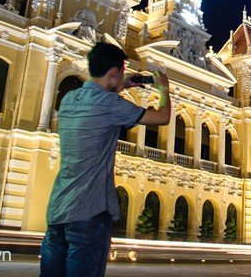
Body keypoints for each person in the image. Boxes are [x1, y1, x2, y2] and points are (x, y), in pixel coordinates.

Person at [40, 42, 171, 276]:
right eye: (120, 72)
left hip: (57, 210)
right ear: (113, 73)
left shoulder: (69, 99)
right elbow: (161, 117)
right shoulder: (111, 104)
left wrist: (119, 84)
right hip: (89, 211)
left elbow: (99, 101)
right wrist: (163, 89)